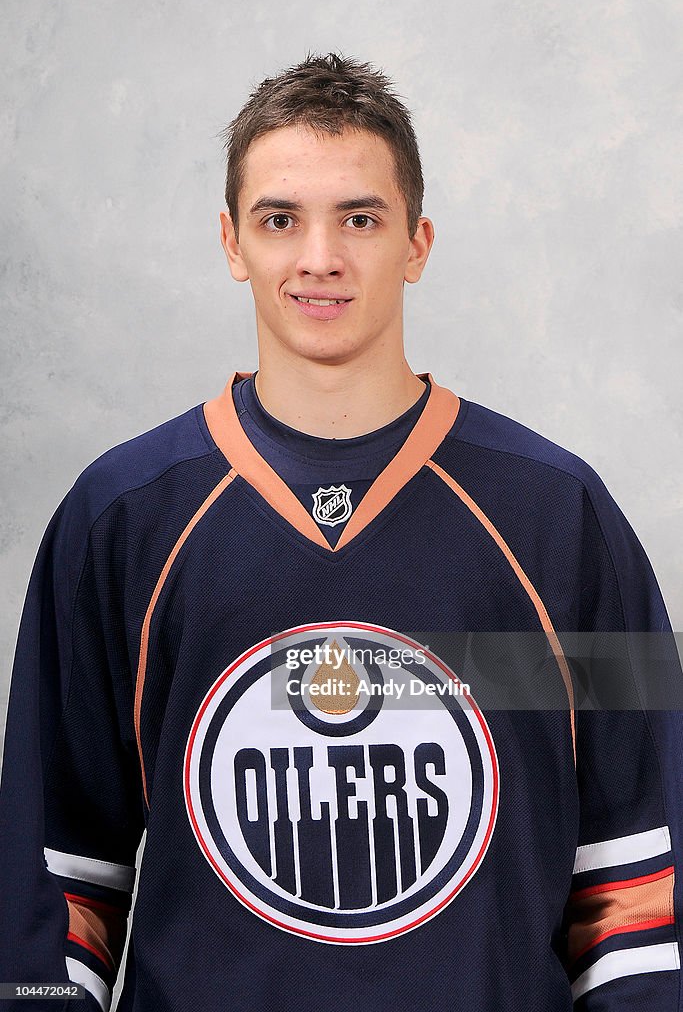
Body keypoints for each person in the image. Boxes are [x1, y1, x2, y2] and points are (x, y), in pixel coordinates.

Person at [0, 52, 681, 1012]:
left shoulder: (560, 517)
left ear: (418, 241)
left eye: (360, 217)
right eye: (280, 219)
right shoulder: (119, 518)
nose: (320, 257)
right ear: (232, 241)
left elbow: (640, 882)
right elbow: (55, 882)